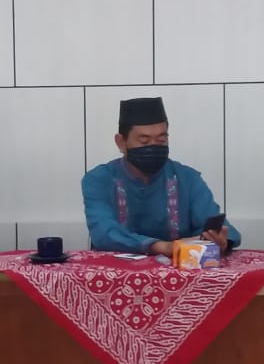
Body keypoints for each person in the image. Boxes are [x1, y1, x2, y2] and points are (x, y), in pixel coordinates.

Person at [82, 96, 240, 255]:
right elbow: (103, 233)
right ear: (121, 142)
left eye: (161, 140)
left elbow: (218, 227)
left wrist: (218, 240)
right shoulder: (98, 180)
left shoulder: (188, 178)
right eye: (144, 142)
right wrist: (162, 247)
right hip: (115, 269)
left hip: (180, 267)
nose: (153, 147)